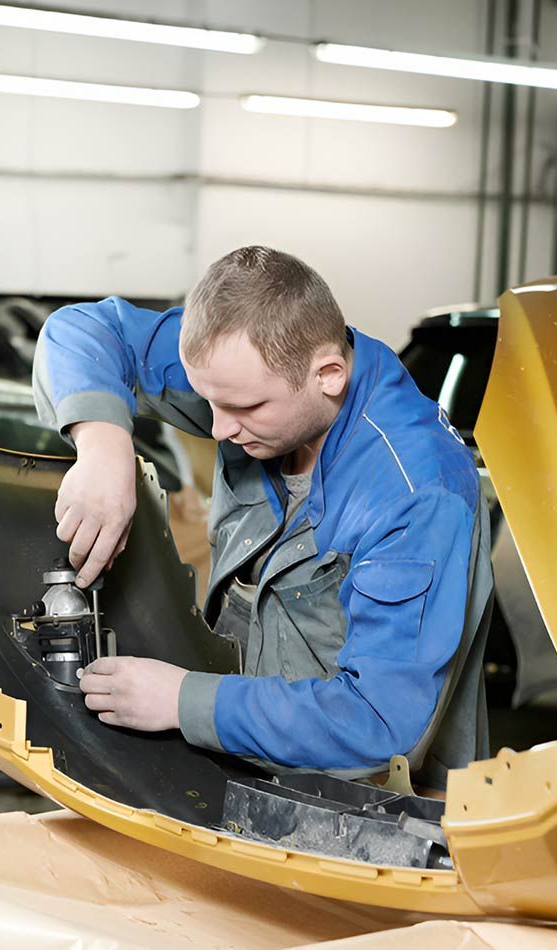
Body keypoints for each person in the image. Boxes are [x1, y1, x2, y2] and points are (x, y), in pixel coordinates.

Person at [33, 246, 492, 786]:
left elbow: (381, 725)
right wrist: (103, 448)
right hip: (240, 773)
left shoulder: (415, 494)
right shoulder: (247, 372)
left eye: (245, 410)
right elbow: (81, 330)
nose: (220, 429)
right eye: (210, 402)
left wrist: (181, 700)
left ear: (328, 375)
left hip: (372, 818)